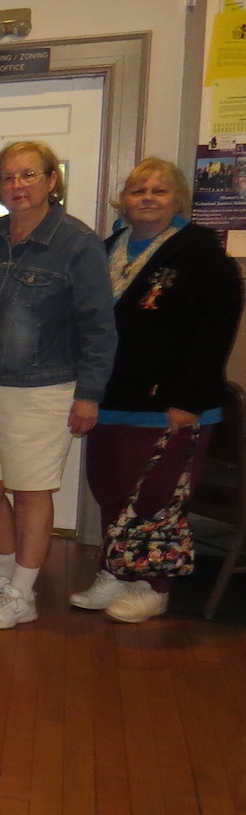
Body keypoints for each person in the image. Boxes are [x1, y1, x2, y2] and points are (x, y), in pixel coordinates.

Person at [0, 140, 117, 629]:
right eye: (7, 177)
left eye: (28, 175)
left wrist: (89, 394)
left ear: (51, 181)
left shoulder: (77, 242)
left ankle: (23, 594)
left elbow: (99, 326)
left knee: (30, 492)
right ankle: (4, 569)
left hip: (44, 387)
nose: (16, 185)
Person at [74, 158, 243, 622]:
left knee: (156, 497)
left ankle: (153, 585)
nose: (147, 197)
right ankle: (116, 571)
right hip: (110, 398)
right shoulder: (108, 249)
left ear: (178, 199)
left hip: (170, 404)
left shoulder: (201, 255)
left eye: (159, 190)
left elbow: (214, 333)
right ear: (123, 201)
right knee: (110, 490)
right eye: (138, 190)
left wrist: (188, 400)